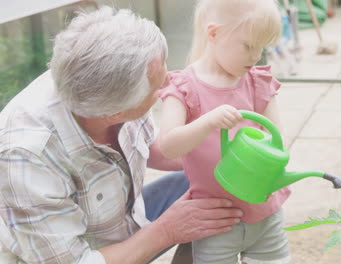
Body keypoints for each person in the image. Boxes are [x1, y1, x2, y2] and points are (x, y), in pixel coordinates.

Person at [0, 6, 243, 264]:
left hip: (125, 222)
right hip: (83, 255)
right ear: (114, 113)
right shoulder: (26, 155)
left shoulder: (103, 73)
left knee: (211, 183)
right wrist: (168, 230)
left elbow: (153, 147)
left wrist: (223, 156)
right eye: (157, 86)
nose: (170, 84)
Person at [157, 0, 291, 263]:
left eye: (261, 48)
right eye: (248, 46)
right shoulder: (184, 88)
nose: (255, 57)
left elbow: (278, 143)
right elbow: (168, 145)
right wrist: (207, 122)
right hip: (214, 219)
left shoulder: (257, 82)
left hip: (265, 212)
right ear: (214, 33)